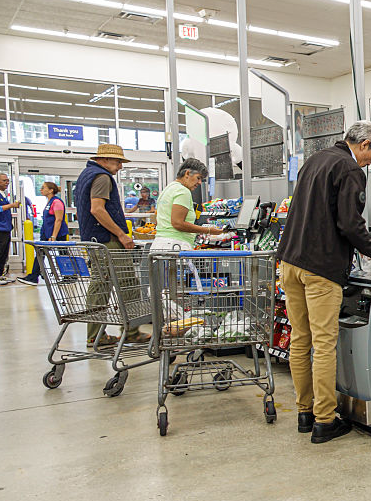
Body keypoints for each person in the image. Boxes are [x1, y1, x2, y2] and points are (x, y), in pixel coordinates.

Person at [277, 120, 371, 444]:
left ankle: (305, 412)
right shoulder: (351, 170)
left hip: (290, 262)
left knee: (301, 339)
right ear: (365, 144)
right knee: (324, 344)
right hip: (321, 267)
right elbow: (349, 224)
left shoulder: (316, 159)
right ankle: (325, 421)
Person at [76, 144, 149, 348]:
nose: (120, 167)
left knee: (100, 284)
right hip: (107, 240)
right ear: (104, 160)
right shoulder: (102, 177)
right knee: (128, 283)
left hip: (93, 239)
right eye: (117, 162)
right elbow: (97, 210)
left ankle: (95, 335)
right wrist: (121, 234)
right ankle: (132, 331)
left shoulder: (86, 175)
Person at [149, 159, 222, 252]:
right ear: (187, 173)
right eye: (198, 178)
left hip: (161, 244)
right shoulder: (183, 191)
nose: (199, 183)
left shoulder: (169, 188)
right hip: (175, 245)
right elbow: (178, 223)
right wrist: (208, 230)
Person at [18, 182, 69, 286]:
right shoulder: (49, 202)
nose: (41, 189)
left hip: (57, 234)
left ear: (51, 190)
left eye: (43, 188)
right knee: (41, 254)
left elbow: (58, 220)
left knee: (63, 254)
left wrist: (53, 236)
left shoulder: (57, 202)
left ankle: (70, 275)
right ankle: (33, 276)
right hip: (47, 233)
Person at [0, 172, 20, 282]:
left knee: (4, 253)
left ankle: (0, 273)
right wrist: (11, 205)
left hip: (5, 228)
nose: (7, 183)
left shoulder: (3, 194)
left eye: (7, 180)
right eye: (4, 180)